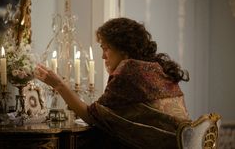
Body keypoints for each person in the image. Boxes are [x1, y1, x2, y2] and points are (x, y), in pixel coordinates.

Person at [35, 17, 190, 148]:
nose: (103, 56)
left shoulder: (129, 71)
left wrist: (58, 84)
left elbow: (91, 116)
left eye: (106, 48)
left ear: (122, 49)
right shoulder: (155, 67)